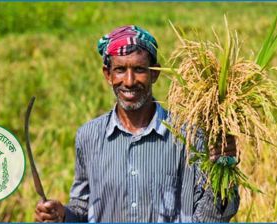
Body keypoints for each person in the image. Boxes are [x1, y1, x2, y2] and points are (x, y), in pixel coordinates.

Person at [35, 25, 239, 222]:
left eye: (139, 69)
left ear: (155, 73)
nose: (130, 81)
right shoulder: (89, 136)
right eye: (120, 70)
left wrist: (222, 172)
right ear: (108, 75)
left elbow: (212, 217)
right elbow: (83, 208)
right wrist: (62, 216)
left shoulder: (189, 135)